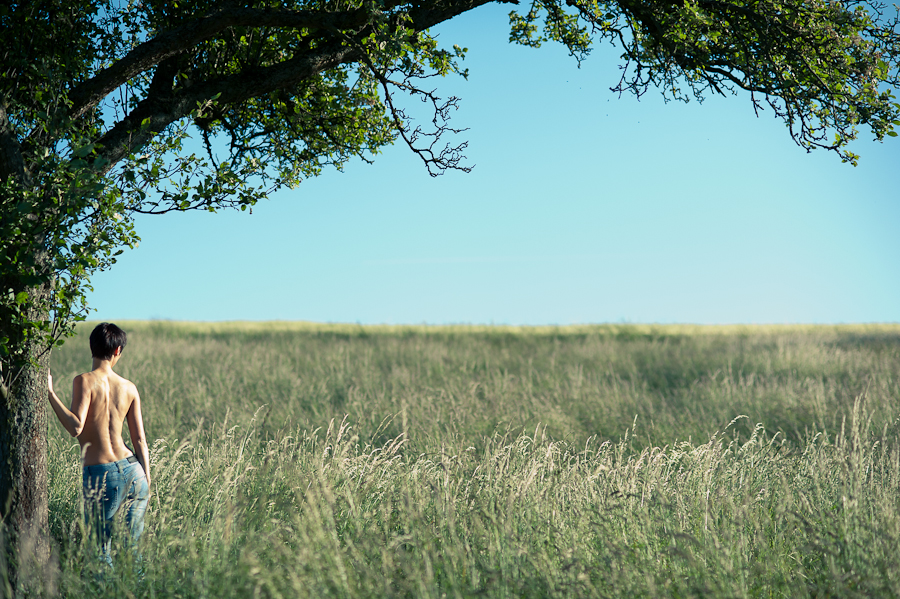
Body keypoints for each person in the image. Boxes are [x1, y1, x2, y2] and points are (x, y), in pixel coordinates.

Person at [47, 322, 151, 568]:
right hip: (134, 471)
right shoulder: (129, 387)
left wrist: (50, 393)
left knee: (100, 553)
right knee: (132, 552)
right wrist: (147, 477)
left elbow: (75, 428)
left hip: (101, 475)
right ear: (117, 351)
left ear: (91, 347)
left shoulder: (84, 380)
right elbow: (139, 440)